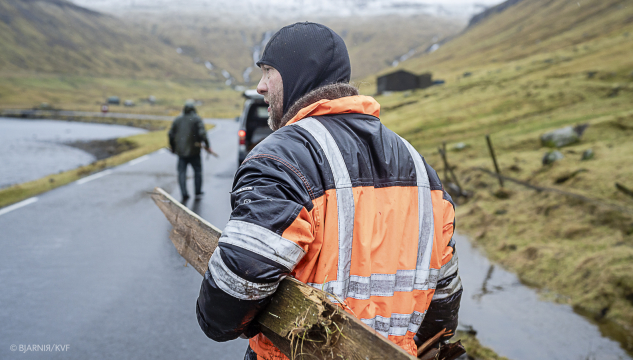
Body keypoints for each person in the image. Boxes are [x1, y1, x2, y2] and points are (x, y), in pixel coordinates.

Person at [196, 22, 462, 360]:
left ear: (298, 75)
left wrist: (218, 322)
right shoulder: (420, 168)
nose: (261, 87)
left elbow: (238, 284)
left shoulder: (283, 155)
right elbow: (443, 303)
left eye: (267, 72)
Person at [168, 101, 211, 202]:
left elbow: (170, 134)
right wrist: (207, 145)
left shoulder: (178, 119)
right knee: (197, 171)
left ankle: (184, 194)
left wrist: (173, 147)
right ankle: (198, 191)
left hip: (181, 152)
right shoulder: (196, 118)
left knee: (181, 172)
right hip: (194, 151)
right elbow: (202, 133)